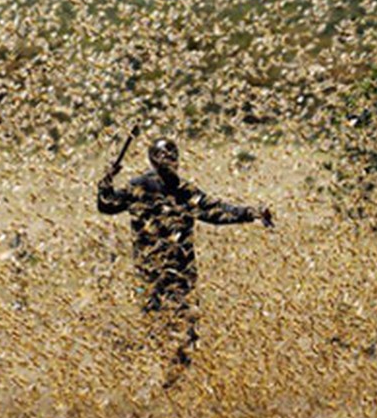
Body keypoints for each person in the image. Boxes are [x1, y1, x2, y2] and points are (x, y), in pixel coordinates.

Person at [97, 136, 273, 383]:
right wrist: (106, 179)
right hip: (150, 273)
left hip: (182, 273)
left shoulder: (183, 190)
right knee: (156, 326)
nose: (169, 159)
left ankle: (173, 382)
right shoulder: (138, 187)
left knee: (187, 333)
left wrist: (250, 213)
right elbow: (107, 205)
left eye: (173, 154)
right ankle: (153, 379)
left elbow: (216, 211)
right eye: (163, 155)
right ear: (153, 160)